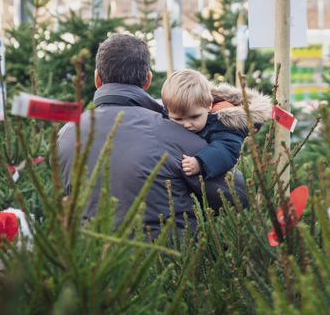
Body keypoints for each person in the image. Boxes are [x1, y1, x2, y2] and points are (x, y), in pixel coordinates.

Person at [56, 34, 248, 238]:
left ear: (97, 79)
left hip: (92, 263)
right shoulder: (176, 134)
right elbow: (238, 195)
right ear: (148, 79)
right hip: (171, 264)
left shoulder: (66, 135)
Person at [161, 69, 271, 179]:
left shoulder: (223, 125)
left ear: (209, 105)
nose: (186, 124)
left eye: (194, 117)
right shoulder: (168, 114)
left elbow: (227, 149)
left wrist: (200, 162)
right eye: (178, 119)